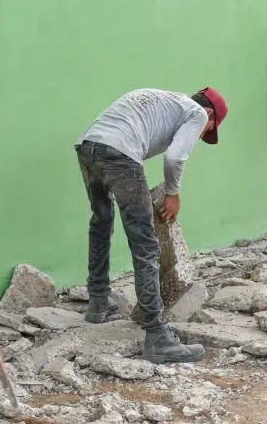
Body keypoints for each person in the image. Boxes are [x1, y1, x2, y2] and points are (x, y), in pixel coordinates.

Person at [76, 87, 228, 363]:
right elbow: (175, 157)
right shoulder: (195, 113)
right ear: (208, 114)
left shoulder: (161, 99)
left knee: (101, 221)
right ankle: (157, 335)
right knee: (144, 242)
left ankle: (98, 301)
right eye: (208, 130)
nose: (202, 134)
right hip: (120, 152)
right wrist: (173, 193)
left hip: (89, 146)